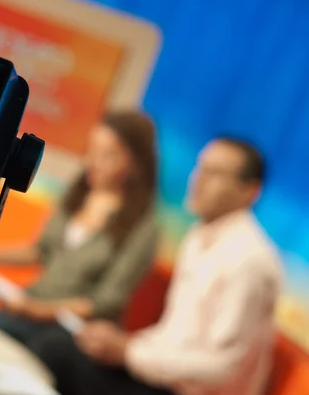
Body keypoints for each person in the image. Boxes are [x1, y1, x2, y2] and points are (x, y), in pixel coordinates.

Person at [35, 137, 283, 395]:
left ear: (250, 191)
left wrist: (129, 353)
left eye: (215, 173)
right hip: (160, 377)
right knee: (59, 343)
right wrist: (125, 344)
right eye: (201, 168)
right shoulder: (199, 235)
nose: (199, 179)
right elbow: (176, 336)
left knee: (56, 352)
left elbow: (224, 368)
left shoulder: (249, 259)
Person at [0, 111, 160, 350]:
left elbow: (103, 303)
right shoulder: (77, 194)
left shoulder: (144, 227)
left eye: (108, 155)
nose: (93, 162)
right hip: (29, 307)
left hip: (71, 333)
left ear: (136, 164)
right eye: (92, 151)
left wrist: (36, 310)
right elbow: (42, 250)